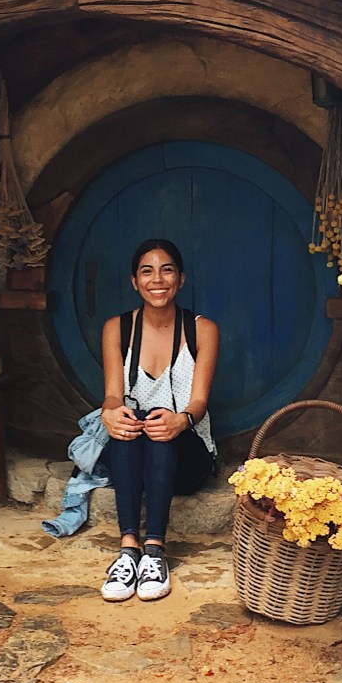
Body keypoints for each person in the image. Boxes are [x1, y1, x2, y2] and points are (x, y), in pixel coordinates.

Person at [99, 238, 219, 603]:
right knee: (131, 421)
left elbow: (199, 402)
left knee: (159, 427)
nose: (157, 280)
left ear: (180, 278)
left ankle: (154, 550)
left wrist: (179, 421)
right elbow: (113, 395)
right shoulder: (117, 328)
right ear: (134, 281)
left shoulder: (202, 330)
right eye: (146, 271)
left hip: (186, 454)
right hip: (134, 454)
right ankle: (128, 549)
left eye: (167, 270)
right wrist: (110, 412)